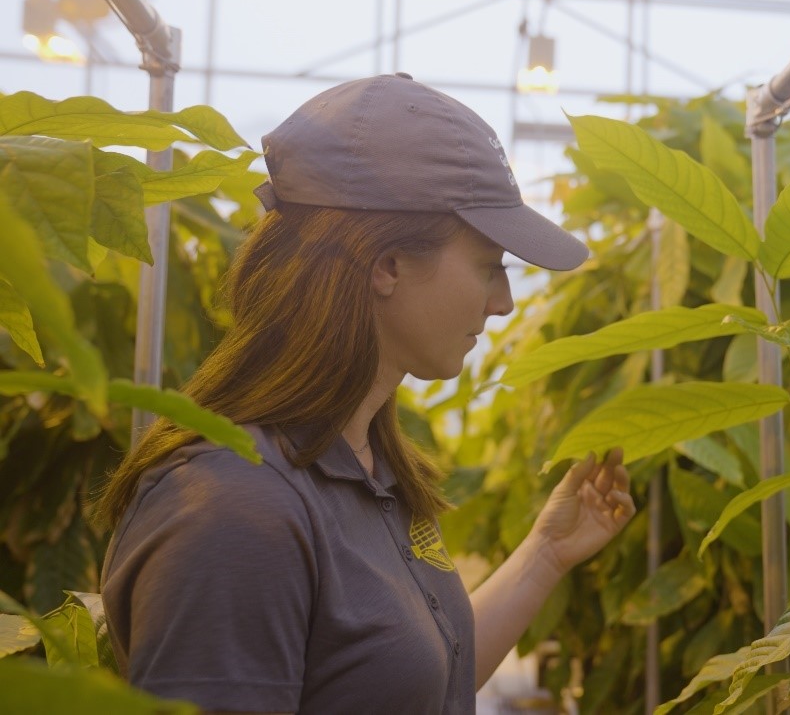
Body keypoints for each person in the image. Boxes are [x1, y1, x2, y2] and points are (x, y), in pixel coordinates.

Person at [94, 73, 635, 714]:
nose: (504, 302)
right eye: (490, 265)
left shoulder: (365, 467)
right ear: (388, 266)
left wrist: (545, 555)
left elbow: (410, 685)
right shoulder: (233, 511)